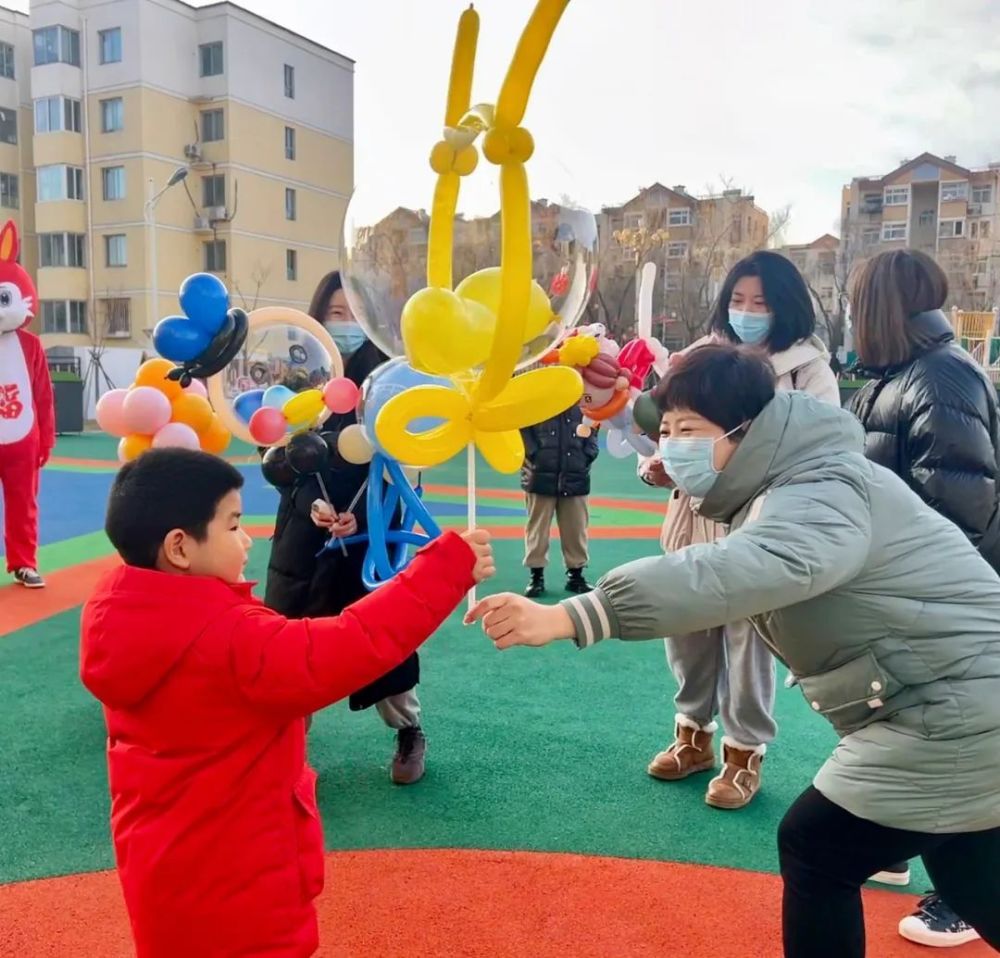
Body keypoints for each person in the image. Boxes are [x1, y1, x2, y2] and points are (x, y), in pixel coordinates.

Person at [467, 344, 1000, 958]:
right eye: (666, 432)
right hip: (951, 702)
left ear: (750, 430)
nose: (672, 447)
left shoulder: (818, 488)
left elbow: (737, 570)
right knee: (967, 866)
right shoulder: (788, 478)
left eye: (690, 431)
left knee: (817, 848)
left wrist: (577, 613)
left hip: (951, 711)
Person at [79, 448, 494, 958]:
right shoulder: (228, 637)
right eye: (233, 525)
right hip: (242, 889)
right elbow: (349, 644)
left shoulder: (121, 612)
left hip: (160, 870)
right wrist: (446, 569)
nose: (248, 538)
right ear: (180, 548)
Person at [637, 250, 840, 810]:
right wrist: (660, 464)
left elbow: (814, 451)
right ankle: (691, 737)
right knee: (686, 635)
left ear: (787, 308)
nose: (747, 312)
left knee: (749, 644)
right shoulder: (702, 355)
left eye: (761, 303)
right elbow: (665, 427)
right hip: (691, 519)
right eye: (738, 300)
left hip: (757, 527)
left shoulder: (807, 369)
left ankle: (743, 754)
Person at [848, 248, 1000, 947]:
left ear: (877, 307)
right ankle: (898, 836)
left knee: (956, 745)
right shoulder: (893, 377)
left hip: (947, 603)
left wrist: (926, 607)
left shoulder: (938, 378)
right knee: (907, 725)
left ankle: (963, 896)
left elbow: (958, 507)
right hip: (912, 593)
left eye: (856, 305)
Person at [265, 271, 429, 785]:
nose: (346, 326)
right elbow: (278, 459)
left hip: (372, 532)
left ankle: (408, 731)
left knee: (383, 641)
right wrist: (315, 505)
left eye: (355, 315)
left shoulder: (391, 381)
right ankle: (280, 747)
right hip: (303, 535)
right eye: (335, 315)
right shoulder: (298, 378)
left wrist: (369, 514)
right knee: (288, 647)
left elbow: (404, 465)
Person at [0, 219, 54, 589]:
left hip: (22, 439)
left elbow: (43, 396)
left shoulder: (30, 346)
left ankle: (23, 561)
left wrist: (46, 439)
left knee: (24, 504)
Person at [521, 403, 598, 597]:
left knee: (576, 527)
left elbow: (593, 429)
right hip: (539, 474)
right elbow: (522, 431)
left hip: (575, 474)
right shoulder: (536, 402)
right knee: (537, 528)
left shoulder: (584, 403)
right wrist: (534, 455)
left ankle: (576, 575)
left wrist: (587, 454)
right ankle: (536, 576)